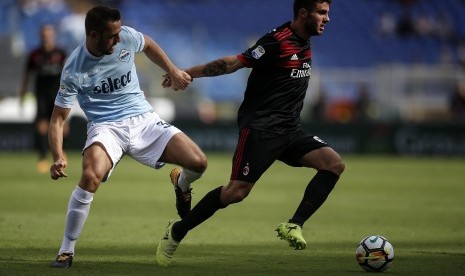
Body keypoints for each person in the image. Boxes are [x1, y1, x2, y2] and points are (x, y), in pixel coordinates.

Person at [156, 0, 344, 266]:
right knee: (235, 193)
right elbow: (233, 63)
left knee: (333, 164)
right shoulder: (276, 42)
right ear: (304, 13)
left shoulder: (304, 40)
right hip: (261, 129)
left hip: (290, 128)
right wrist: (184, 72)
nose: (327, 19)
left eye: (328, 13)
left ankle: (294, 225)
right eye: (322, 13)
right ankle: (177, 231)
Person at [48, 5, 207, 268]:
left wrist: (173, 70)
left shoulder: (126, 36)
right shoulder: (74, 69)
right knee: (89, 177)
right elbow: (57, 119)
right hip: (106, 127)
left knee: (199, 163)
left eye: (119, 33)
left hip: (144, 119)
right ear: (93, 35)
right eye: (112, 36)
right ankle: (66, 251)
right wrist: (58, 156)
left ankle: (181, 183)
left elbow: (148, 44)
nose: (119, 39)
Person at [18, 24, 68, 173]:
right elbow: (27, 76)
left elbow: (68, 73)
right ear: (41, 36)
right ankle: (42, 158)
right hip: (41, 95)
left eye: (49, 34)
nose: (46, 37)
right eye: (44, 34)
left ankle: (61, 152)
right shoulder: (35, 54)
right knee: (41, 125)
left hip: (58, 94)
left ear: (53, 35)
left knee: (63, 127)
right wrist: (22, 94)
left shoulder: (61, 53)